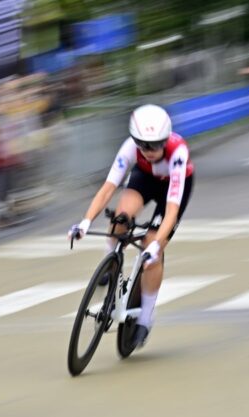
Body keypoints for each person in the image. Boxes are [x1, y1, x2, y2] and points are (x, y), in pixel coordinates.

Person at [68, 104, 194, 348]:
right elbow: (107, 189)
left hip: (174, 188)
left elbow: (171, 211)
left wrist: (156, 246)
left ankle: (145, 318)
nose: (149, 151)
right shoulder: (130, 148)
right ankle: (110, 263)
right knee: (120, 218)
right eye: (143, 145)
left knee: (151, 248)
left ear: (165, 140)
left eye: (156, 145)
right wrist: (85, 222)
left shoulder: (178, 153)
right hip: (145, 179)